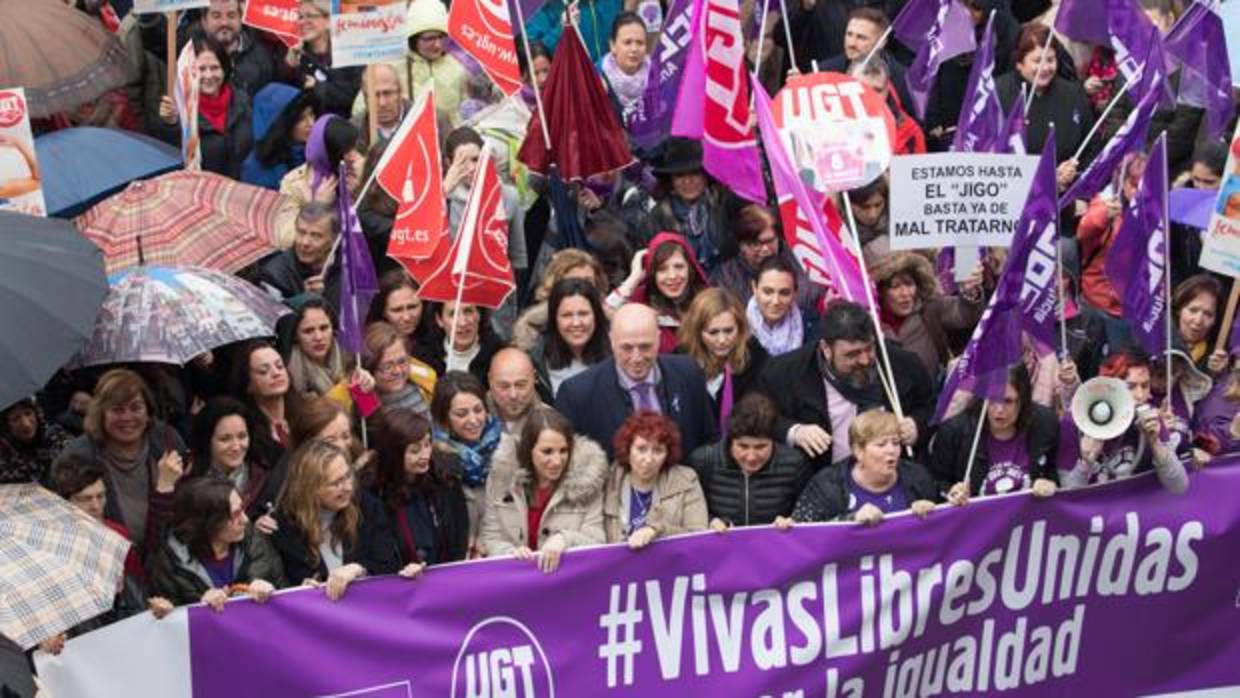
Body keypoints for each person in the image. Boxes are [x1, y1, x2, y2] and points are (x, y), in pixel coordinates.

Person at [758, 301, 934, 471]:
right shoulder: (784, 373)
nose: (865, 360)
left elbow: (931, 407)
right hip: (821, 483)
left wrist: (916, 424)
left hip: (892, 477)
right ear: (826, 349)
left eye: (869, 348)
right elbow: (759, 417)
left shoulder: (903, 364)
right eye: (852, 354)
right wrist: (794, 431)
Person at [557, 303, 717, 458]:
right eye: (627, 348)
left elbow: (708, 441)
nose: (637, 357)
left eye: (645, 347)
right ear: (612, 341)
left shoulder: (688, 372)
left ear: (658, 339)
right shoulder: (577, 394)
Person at [54, 369, 186, 550]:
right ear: (101, 413)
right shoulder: (77, 456)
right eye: (117, 410)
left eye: (136, 407)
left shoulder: (167, 440)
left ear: (148, 410)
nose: (127, 417)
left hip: (167, 559)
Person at [269, 439, 413, 598]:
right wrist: (301, 590)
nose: (348, 487)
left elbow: (390, 565)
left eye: (347, 476)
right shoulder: (286, 525)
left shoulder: (366, 507)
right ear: (310, 489)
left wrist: (359, 569)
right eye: (336, 483)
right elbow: (281, 584)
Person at [478, 407, 608, 570]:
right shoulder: (501, 478)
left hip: (566, 579)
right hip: (515, 581)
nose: (557, 461)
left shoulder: (589, 481)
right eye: (547, 452)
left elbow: (597, 540)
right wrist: (510, 553)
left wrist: (564, 539)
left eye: (563, 451)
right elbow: (490, 537)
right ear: (528, 451)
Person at [44, 455, 151, 642]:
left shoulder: (117, 534)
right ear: (64, 502)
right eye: (84, 499)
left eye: (100, 496)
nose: (96, 506)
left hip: (119, 628)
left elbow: (138, 589)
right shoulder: (48, 544)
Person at [146, 477, 284, 610]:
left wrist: (268, 591)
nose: (246, 520)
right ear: (209, 523)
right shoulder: (170, 561)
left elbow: (284, 590)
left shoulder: (254, 540)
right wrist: (199, 604)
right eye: (236, 514)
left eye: (243, 509)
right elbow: (169, 619)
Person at [1062, 352, 1189, 493]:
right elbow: (1067, 496)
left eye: (1145, 386)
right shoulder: (1075, 421)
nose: (1140, 395)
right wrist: (1085, 465)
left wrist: (1156, 443)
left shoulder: (1151, 420)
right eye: (1131, 386)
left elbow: (1179, 486)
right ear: (1108, 386)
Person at [930, 363, 1060, 499]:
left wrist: (1049, 484)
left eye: (1008, 401)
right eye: (992, 399)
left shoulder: (1045, 424)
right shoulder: (954, 431)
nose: (999, 410)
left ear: (1023, 400)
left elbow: (1052, 471)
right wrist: (952, 493)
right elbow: (937, 484)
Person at [789, 410, 939, 525]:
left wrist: (933, 512)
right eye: (881, 444)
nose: (891, 450)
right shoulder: (827, 483)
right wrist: (850, 520)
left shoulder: (918, 476)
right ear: (858, 451)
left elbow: (943, 523)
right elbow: (803, 533)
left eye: (895, 443)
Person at [688, 393, 812, 528]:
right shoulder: (703, 461)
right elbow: (687, 512)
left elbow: (806, 512)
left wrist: (792, 520)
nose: (751, 456)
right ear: (731, 441)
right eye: (743, 446)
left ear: (773, 441)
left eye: (760, 447)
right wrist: (709, 521)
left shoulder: (794, 464)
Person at [995, 24, 1093, 191]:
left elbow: (1090, 144)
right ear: (1019, 63)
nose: (1046, 68)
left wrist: (1076, 181)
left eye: (1050, 59)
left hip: (1067, 200)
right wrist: (1047, 178)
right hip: (1014, 198)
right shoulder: (997, 94)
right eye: (1037, 60)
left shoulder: (1072, 93)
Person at [371, 407, 469, 565]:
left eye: (427, 444)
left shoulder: (445, 479)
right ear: (393, 452)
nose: (425, 455)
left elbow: (459, 533)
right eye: (414, 450)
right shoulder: (374, 493)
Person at [871, 252, 985, 377]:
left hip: (935, 389)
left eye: (909, 284)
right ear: (880, 292)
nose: (905, 293)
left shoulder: (929, 307)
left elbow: (965, 315)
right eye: (895, 286)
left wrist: (970, 291)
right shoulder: (870, 322)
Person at [155, 35, 253, 179]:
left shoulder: (242, 101)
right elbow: (171, 155)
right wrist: (170, 125)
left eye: (215, 68)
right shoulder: (180, 111)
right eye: (201, 69)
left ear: (225, 68)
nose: (208, 75)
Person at [604, 412, 708, 547]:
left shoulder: (686, 480)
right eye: (641, 449)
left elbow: (699, 536)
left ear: (668, 454)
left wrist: (658, 530)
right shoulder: (607, 480)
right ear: (627, 449)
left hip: (670, 565)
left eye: (658, 451)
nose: (648, 459)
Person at [1076, 151, 1147, 348]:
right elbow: (1084, 230)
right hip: (1098, 306)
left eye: (1144, 186)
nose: (1138, 193)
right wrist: (1105, 215)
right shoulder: (1106, 205)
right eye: (1133, 185)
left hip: (1134, 310)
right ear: (1121, 182)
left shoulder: (1154, 213)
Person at [678, 288, 769, 427]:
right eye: (713, 332)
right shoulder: (680, 362)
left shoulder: (755, 356)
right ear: (697, 332)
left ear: (740, 328)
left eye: (728, 331)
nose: (722, 340)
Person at [431, 371, 504, 543]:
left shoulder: (507, 447)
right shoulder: (434, 463)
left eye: (478, 410)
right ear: (444, 418)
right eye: (461, 414)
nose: (473, 420)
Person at [608, 233, 711, 352]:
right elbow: (606, 313)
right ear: (652, 273)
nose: (672, 276)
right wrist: (634, 277)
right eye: (662, 269)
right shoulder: (640, 301)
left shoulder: (706, 301)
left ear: (690, 268)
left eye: (679, 267)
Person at [643, 139, 732, 273]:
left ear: (705, 175)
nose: (688, 181)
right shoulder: (656, 219)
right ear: (671, 180)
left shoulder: (724, 205)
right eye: (680, 175)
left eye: (694, 173)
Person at [275, 114, 364, 249]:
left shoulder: (357, 171)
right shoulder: (293, 184)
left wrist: (361, 189)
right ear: (330, 153)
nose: (353, 156)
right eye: (346, 151)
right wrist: (317, 207)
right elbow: (284, 237)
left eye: (353, 148)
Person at [189, 397, 284, 522]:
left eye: (242, 436)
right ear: (207, 441)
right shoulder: (190, 487)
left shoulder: (269, 479)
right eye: (225, 439)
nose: (236, 446)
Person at [513, 249, 610, 351]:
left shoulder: (613, 324)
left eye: (588, 281)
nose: (581, 288)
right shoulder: (532, 330)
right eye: (572, 282)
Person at [532, 279, 612, 399]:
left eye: (583, 314)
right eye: (567, 315)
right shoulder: (538, 360)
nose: (576, 323)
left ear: (596, 316)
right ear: (554, 319)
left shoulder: (616, 353)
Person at [282, 297, 371, 399]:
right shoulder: (289, 377)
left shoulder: (351, 357)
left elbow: (368, 410)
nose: (318, 337)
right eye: (308, 331)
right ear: (295, 336)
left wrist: (367, 390)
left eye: (324, 328)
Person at [286, 0, 363, 117]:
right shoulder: (296, 55)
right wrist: (290, 68)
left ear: (328, 20)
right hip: (310, 130)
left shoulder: (348, 50)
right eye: (300, 17)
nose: (303, 22)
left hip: (346, 127)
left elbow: (352, 95)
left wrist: (316, 87)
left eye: (310, 16)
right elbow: (289, 103)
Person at [229, 341, 294, 470]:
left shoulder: (304, 414)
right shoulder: (246, 431)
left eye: (280, 366)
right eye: (263, 371)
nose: (276, 373)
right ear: (248, 384)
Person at [197, 0, 278, 97]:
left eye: (231, 16)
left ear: (241, 18)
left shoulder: (261, 57)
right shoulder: (189, 54)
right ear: (204, 21)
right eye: (216, 16)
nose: (224, 22)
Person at [241, 84, 316, 190]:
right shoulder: (255, 169)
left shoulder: (315, 153)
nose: (311, 123)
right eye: (301, 119)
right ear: (283, 124)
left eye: (312, 114)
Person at [261, 202, 339, 299]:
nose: (305, 242)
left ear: (334, 239)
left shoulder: (348, 267)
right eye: (301, 232)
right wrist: (305, 300)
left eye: (316, 235)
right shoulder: (275, 274)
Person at [359, 321, 437, 417]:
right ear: (369, 367)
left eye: (402, 361)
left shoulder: (424, 382)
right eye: (387, 366)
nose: (398, 371)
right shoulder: (360, 400)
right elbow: (372, 426)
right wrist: (364, 396)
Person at [414, 301, 503, 385]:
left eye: (468, 311)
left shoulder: (498, 353)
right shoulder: (424, 356)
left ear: (479, 315)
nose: (462, 323)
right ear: (439, 320)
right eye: (452, 314)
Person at [850, 57, 925, 155]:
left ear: (887, 90)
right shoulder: (827, 125)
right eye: (862, 89)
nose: (870, 96)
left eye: (877, 90)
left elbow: (914, 168)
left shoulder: (909, 131)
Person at [746, 256, 806, 358]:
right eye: (768, 292)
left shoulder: (810, 327)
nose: (776, 301)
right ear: (754, 288)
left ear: (795, 293)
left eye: (784, 293)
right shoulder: (739, 330)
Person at [1, 397, 69, 484]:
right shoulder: (5, 448)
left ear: (36, 414)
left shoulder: (56, 434)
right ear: (7, 426)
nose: (26, 424)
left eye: (28, 413)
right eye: (16, 419)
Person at [598, 12, 649, 127]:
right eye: (627, 42)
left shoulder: (658, 75)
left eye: (640, 43)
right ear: (612, 46)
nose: (634, 49)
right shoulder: (598, 78)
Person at [1172, 274, 1228, 375]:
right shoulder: (1156, 340)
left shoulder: (1218, 353)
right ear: (1179, 309)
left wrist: (1219, 375)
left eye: (1208, 314)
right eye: (1193, 310)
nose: (1198, 321)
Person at [367, 269, 428, 353]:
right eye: (397, 310)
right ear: (383, 311)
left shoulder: (438, 341)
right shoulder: (369, 349)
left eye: (412, 307)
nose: (406, 317)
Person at [488, 348, 547, 434]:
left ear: (535, 378)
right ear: (490, 381)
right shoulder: (471, 418)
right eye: (504, 386)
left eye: (521, 385)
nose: (513, 395)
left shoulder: (550, 423)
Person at [353, 63, 408, 149]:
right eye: (375, 95)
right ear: (365, 98)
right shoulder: (353, 131)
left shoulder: (425, 120)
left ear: (400, 93)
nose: (382, 103)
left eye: (387, 93)